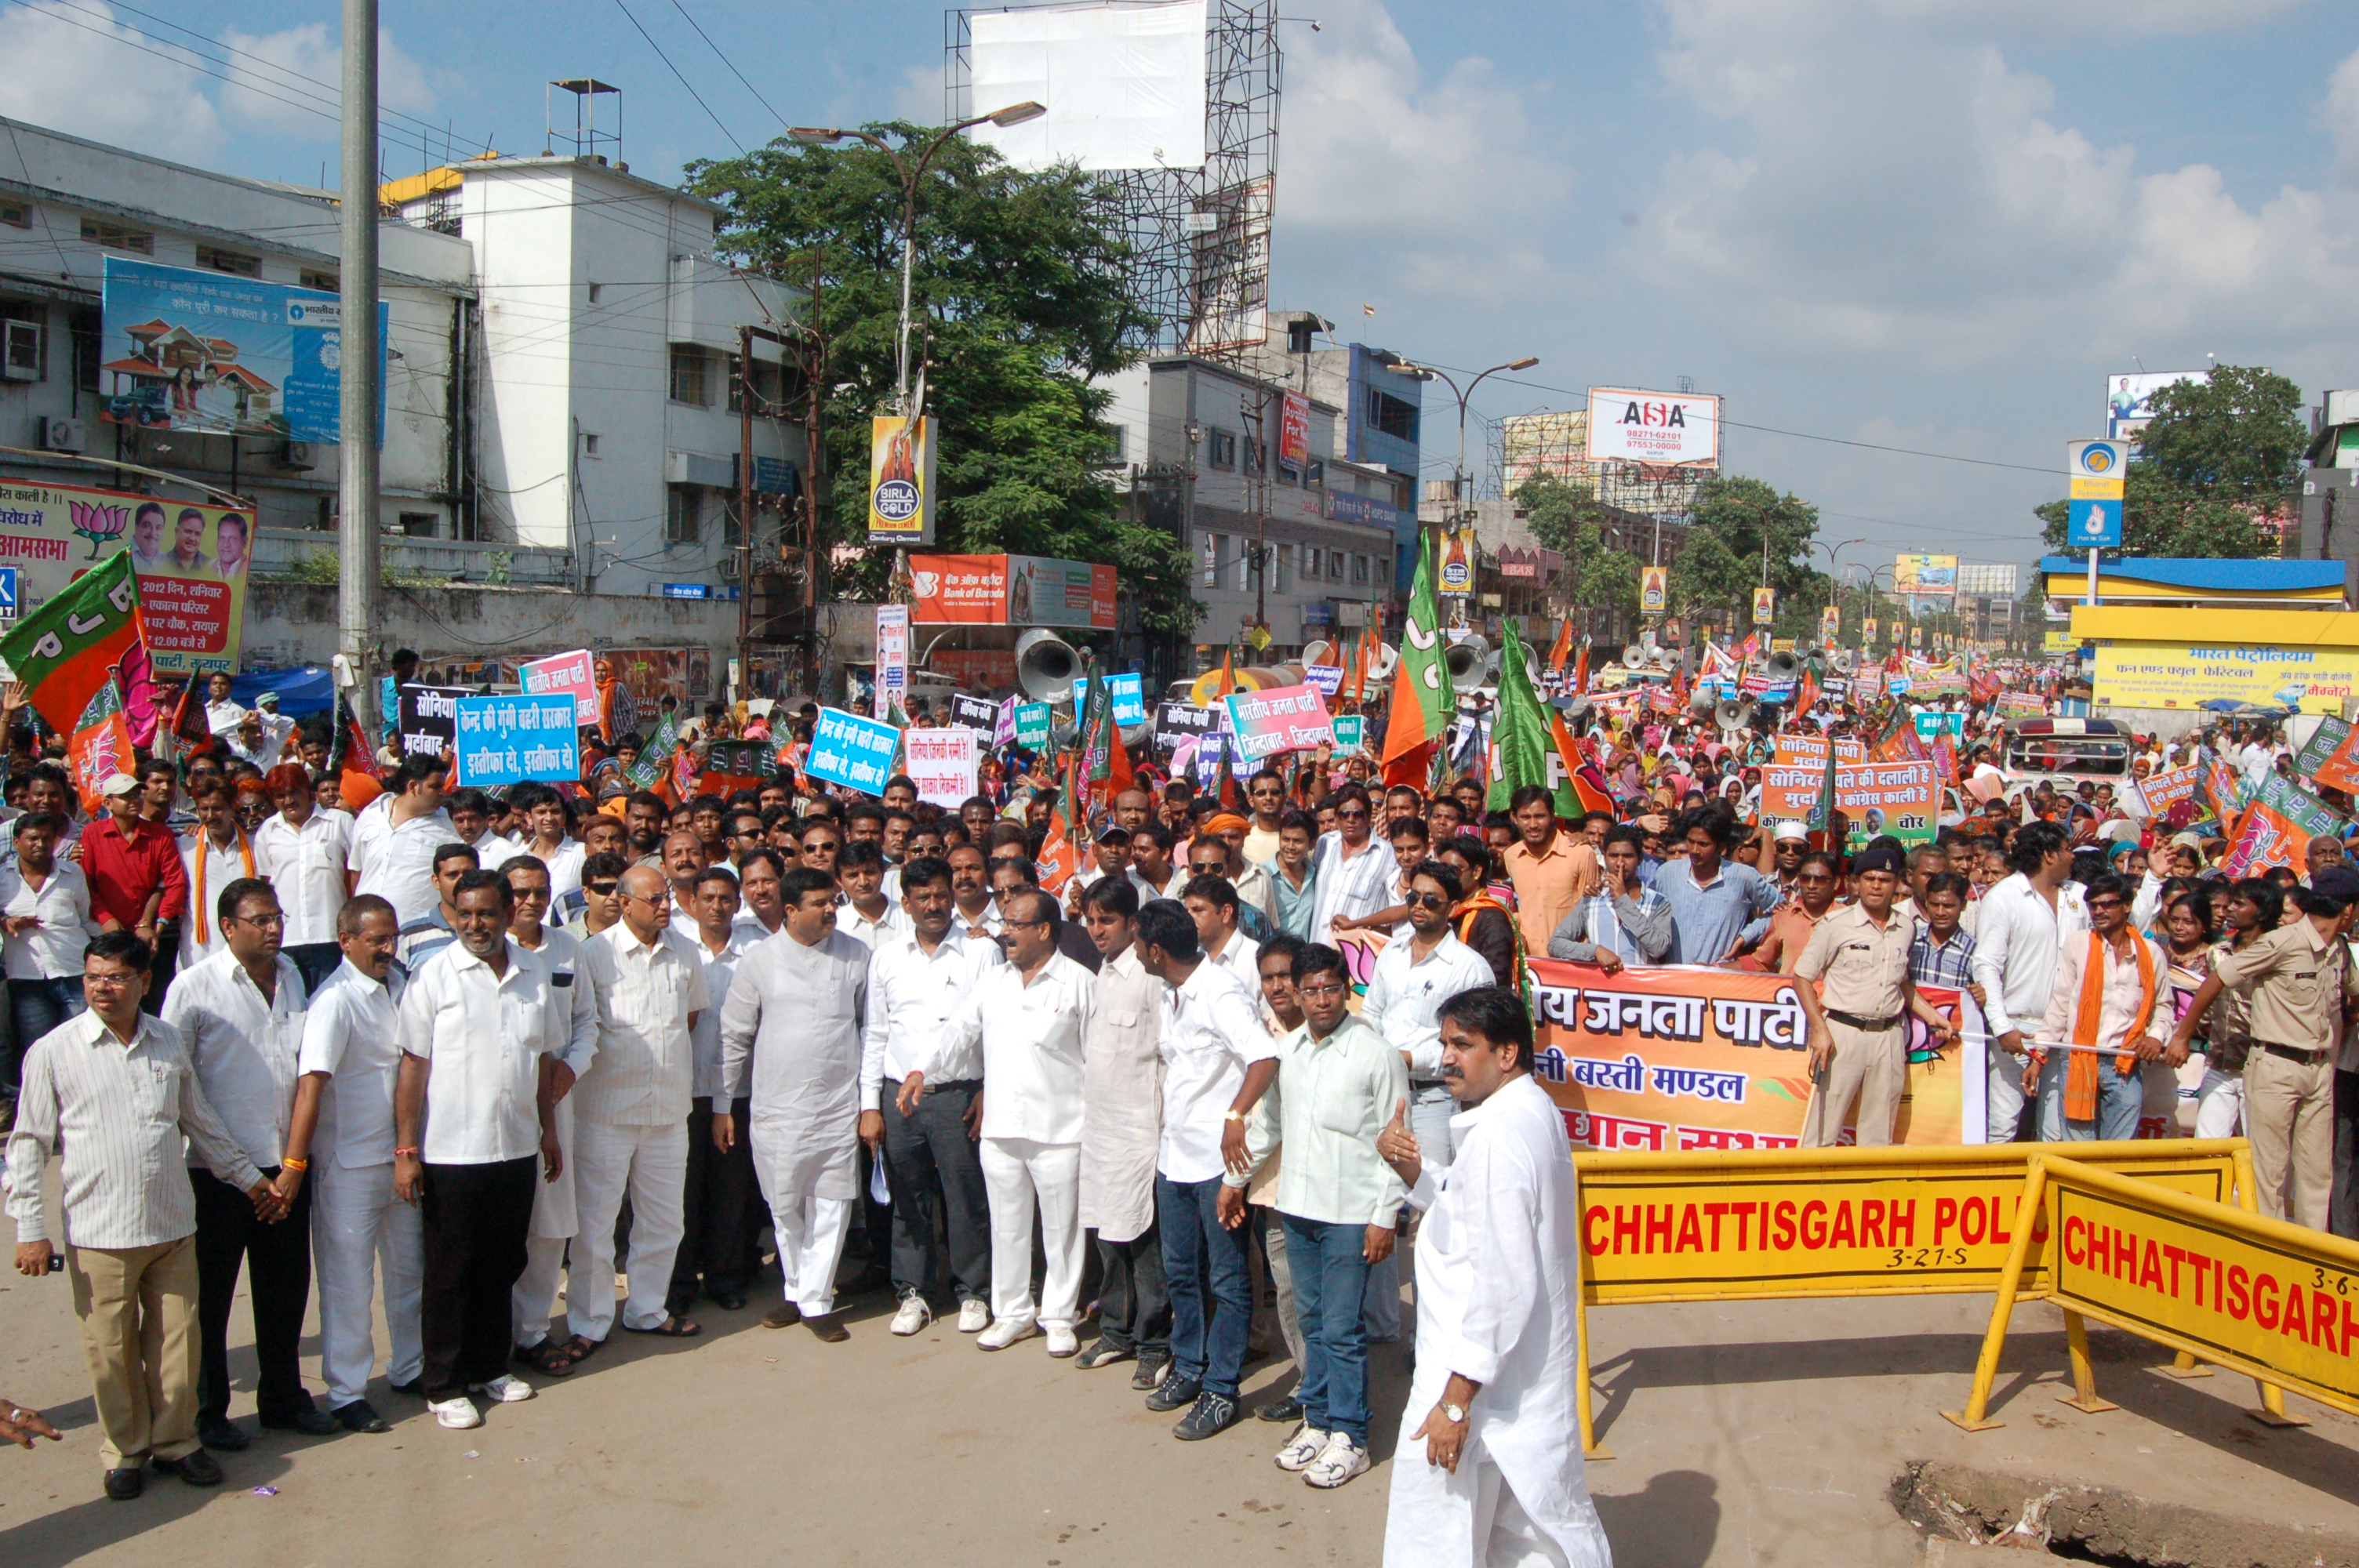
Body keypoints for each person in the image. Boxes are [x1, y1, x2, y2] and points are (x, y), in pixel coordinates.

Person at [9, 931, 274, 1500]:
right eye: (93, 977)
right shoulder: (54, 1051)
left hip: (173, 1226)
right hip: (98, 1233)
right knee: (112, 1354)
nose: (103, 989)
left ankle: (177, 1443)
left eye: (117, 977)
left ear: (144, 982)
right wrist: (29, 1230)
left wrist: (253, 1182)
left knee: (178, 1348)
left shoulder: (167, 1043)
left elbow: (201, 1124)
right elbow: (27, 1144)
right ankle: (126, 1452)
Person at [1374, 987, 1612, 1568]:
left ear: (1507, 1054)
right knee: (1530, 1532)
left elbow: (1506, 1282)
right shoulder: (1527, 1112)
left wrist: (1455, 1404)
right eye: (1444, 1044)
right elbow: (1471, 1213)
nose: (1447, 1058)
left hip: (1476, 1380)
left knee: (1440, 1533)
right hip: (1504, 1379)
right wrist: (1413, 1169)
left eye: (1463, 1045)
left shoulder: (1504, 1137)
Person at [1222, 942, 1407, 1490]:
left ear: (1348, 990)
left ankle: (1352, 1436)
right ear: (1296, 995)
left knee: (1342, 1329)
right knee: (1311, 1324)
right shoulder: (1292, 1053)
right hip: (1296, 1211)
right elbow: (1270, 1126)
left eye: (1332, 988)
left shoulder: (1378, 1055)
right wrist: (1234, 1181)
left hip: (1351, 1215)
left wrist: (1384, 1217)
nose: (1322, 1000)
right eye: (1311, 990)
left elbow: (1397, 1145)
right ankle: (1319, 1421)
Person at [161, 878, 334, 1446]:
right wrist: (239, 1172)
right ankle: (208, 1413)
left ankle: (282, 1398)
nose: (274, 927)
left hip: (286, 1166)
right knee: (209, 1301)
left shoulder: (293, 977)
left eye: (277, 916)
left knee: (284, 1289)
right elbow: (184, 1090)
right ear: (227, 926)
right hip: (216, 1174)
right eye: (260, 919)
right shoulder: (194, 988)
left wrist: (292, 1167)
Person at [394, 871, 567, 1430]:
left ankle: (492, 1366)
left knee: (502, 1261)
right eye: (465, 914)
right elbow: (413, 1065)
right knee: (450, 1271)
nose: (476, 925)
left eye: (487, 914)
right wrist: (406, 1149)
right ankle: (444, 1383)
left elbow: (540, 1060)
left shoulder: (532, 973)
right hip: (451, 1152)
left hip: (514, 1145)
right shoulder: (433, 976)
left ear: (506, 912)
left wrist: (546, 1129)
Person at [904, 887, 1095, 1354]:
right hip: (1002, 1131)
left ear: (1044, 930)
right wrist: (921, 1069)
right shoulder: (993, 982)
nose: (1004, 932)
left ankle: (1059, 1316)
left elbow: (1096, 1060)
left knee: (1062, 1232)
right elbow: (958, 1032)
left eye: (1015, 924)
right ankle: (1012, 1313)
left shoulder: (1079, 982)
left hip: (1061, 1129)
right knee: (1007, 1226)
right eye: (1004, 923)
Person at [1134, 898, 1277, 1441]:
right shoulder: (1171, 992)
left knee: (1228, 1278)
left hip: (1218, 1166)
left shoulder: (1219, 992)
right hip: (1175, 1159)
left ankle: (1222, 1388)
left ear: (1154, 950)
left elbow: (1263, 1057)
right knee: (1181, 1271)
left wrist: (1236, 1116)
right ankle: (1188, 1366)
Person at [282, 895, 418, 1433]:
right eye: (376, 940)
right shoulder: (334, 1001)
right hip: (347, 1165)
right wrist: (295, 1164)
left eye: (392, 937)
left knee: (409, 1273)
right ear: (346, 942)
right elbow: (311, 1086)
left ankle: (410, 1367)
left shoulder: (400, 986)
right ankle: (346, 1391)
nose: (388, 948)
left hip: (400, 1157)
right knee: (348, 1285)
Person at [717, 866, 871, 1341]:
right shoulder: (759, 960)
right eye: (820, 903)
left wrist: (869, 1102)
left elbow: (871, 1029)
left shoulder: (855, 954)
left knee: (831, 1202)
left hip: (837, 1104)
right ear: (789, 910)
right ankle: (797, 1287)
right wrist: (723, 1104)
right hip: (777, 1106)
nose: (831, 910)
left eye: (833, 902)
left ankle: (816, 1301)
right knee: (785, 1204)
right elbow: (735, 1034)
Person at [564, 864, 709, 1347]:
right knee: (596, 1225)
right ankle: (589, 1322)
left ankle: (648, 1308)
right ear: (624, 903)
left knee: (665, 1219)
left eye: (666, 896)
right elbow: (580, 1025)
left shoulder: (685, 951)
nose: (666, 905)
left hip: (668, 1111)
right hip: (605, 1112)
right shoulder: (592, 956)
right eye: (654, 899)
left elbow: (687, 1017)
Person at [2169, 869, 2359, 1229]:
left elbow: (2353, 992)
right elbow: (2219, 979)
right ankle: (2272, 1254)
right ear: (2348, 910)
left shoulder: (2339, 950)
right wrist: (2182, 1035)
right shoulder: (2283, 942)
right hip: (2275, 1063)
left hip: (2320, 1068)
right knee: (2268, 1172)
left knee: (2317, 1173)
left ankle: (2310, 1259)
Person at [861, 855, 1001, 1336]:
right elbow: (875, 1033)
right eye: (923, 897)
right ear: (907, 903)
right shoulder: (887, 957)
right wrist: (870, 1105)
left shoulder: (981, 952)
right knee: (908, 1197)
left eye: (942, 894)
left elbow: (994, 1030)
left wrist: (987, 1088)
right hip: (899, 1097)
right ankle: (914, 1293)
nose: (935, 905)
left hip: (956, 1094)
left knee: (965, 1197)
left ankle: (974, 1292)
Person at [500, 856, 602, 1377]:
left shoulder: (567, 948)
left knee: (550, 1224)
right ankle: (495, 1335)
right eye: (520, 892)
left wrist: (570, 1069)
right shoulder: (491, 951)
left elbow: (587, 1020)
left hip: (558, 1100)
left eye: (540, 891)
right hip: (501, 1100)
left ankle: (533, 1332)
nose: (532, 902)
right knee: (502, 1224)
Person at [1792, 846, 1955, 1147]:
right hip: (1843, 1034)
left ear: (1897, 884)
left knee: (1878, 1134)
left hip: (1888, 1037)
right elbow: (1802, 977)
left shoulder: (1905, 928)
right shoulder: (1836, 925)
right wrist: (1818, 1028)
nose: (1876, 886)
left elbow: (1901, 983)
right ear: (1856, 883)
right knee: (1823, 1130)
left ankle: (1865, 1193)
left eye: (1884, 879)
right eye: (1869, 878)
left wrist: (1933, 1017)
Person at [1076, 878, 1170, 1381]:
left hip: (1141, 1129)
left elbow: (1165, 1056)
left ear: (1132, 922)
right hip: (1103, 1128)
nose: (1096, 931)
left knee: (1142, 1238)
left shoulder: (1149, 975)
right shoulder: (1104, 972)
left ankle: (1154, 1340)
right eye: (1091, 920)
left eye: (1106, 920)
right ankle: (1116, 1329)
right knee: (1107, 1232)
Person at [1365, 860, 1495, 1176]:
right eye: (1413, 897)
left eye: (1431, 900)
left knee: (1429, 1195)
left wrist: (1408, 1060)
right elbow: (1371, 1014)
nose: (1419, 906)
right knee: (1376, 1193)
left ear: (1451, 908)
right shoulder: (1391, 953)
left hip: (1434, 1100)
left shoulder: (1470, 969)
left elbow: (1473, 1048)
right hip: (1380, 1094)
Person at [670, 866, 758, 1316]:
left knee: (729, 1189)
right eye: (708, 899)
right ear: (692, 903)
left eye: (725, 899)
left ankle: (726, 1277)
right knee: (682, 1190)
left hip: (736, 1090)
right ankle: (680, 1282)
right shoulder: (678, 951)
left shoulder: (755, 951)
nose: (717, 906)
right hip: (683, 1089)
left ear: (737, 904)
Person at [1968, 821, 2085, 1143]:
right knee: (2002, 1127)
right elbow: (1987, 964)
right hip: (2017, 1031)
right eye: (2066, 849)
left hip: (2065, 1033)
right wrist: (2002, 1027)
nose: (2072, 857)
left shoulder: (2079, 896)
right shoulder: (2004, 897)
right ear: (2048, 855)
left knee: (2057, 1131)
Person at [2033, 872, 2171, 1143]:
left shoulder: (2151, 953)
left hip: (2124, 1063)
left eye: (2107, 904)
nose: (2099, 911)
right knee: (2078, 1147)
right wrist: (2039, 1054)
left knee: (2119, 1152)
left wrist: (2155, 1037)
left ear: (2127, 906)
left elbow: (2163, 1005)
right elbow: (2060, 1002)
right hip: (2079, 1059)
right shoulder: (2079, 943)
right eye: (2093, 905)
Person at [0, 811, 96, 1114]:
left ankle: (84, 1112)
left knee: (82, 1047)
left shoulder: (72, 874)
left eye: (46, 838)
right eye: (32, 838)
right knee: (39, 1051)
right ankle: (48, 1116)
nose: (40, 844)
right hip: (27, 979)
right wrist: (7, 921)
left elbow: (85, 919)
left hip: (72, 971)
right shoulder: (3, 878)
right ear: (16, 842)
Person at [80, 773, 188, 1007]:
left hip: (153, 943)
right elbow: (86, 887)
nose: (134, 800)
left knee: (156, 1001)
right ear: (108, 803)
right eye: (125, 796)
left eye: (137, 795)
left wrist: (156, 926)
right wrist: (105, 919)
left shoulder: (160, 834)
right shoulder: (92, 834)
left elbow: (175, 884)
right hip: (109, 938)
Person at [254, 760, 351, 994]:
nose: (288, 801)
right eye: (280, 795)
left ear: (308, 791)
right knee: (294, 1011)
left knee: (334, 1003)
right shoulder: (268, 831)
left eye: (294, 792)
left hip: (330, 935)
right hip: (287, 939)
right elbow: (265, 884)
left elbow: (355, 874)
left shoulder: (339, 822)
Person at [1652, 807, 1779, 965]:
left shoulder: (1743, 877)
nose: (1695, 850)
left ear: (1721, 847)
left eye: (1703, 844)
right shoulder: (1667, 873)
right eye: (1691, 842)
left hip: (1721, 981)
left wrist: (1748, 935)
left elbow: (1782, 910)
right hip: (1674, 979)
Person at [348, 757, 456, 927]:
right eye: (435, 787)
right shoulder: (371, 814)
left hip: (415, 932)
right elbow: (357, 872)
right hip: (365, 929)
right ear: (413, 787)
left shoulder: (449, 826)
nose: (443, 792)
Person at [1545, 826, 1672, 971]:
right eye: (1613, 856)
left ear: (1640, 859)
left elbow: (1659, 948)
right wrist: (1595, 951)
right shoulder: (1591, 900)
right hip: (1601, 990)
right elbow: (1555, 944)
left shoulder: (1658, 903)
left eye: (1628, 856)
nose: (1620, 863)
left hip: (1641, 990)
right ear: (1605, 857)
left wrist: (1622, 900)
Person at [1500, 785, 1601, 958]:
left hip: (1570, 962)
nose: (1533, 825)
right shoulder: (1511, 856)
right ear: (1514, 818)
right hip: (1528, 965)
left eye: (1540, 816)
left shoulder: (1581, 853)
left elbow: (1591, 913)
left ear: (1552, 815)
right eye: (1525, 817)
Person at [1309, 788, 1395, 944]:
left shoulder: (1388, 855)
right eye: (1344, 814)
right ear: (1336, 817)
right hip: (1316, 946)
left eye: (1358, 814)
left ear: (1369, 817)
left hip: (1354, 955)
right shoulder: (1325, 843)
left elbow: (1397, 908)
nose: (1350, 819)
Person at [1266, 807, 1321, 941]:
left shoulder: (1317, 875)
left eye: (1298, 841)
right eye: (1285, 839)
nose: (1290, 847)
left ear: (1312, 844)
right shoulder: (1263, 875)